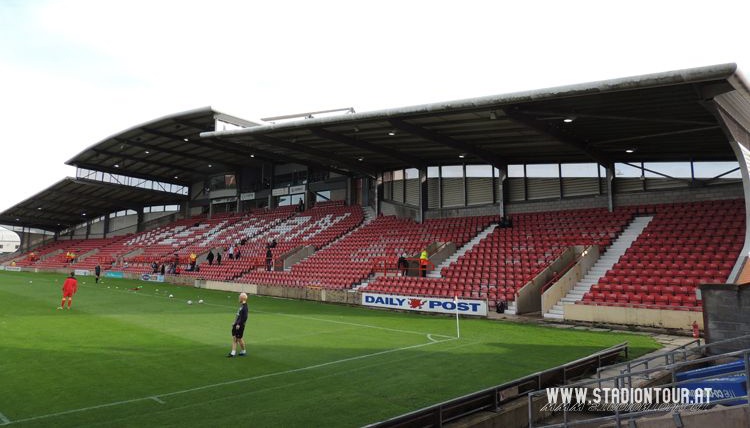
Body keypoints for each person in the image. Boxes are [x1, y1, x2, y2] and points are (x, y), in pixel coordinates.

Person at [228, 292, 249, 357]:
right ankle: (233, 352)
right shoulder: (242, 306)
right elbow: (238, 315)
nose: (238, 298)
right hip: (237, 324)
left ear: (242, 298)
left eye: (239, 297)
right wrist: (234, 322)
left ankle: (242, 351)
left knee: (239, 338)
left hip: (240, 325)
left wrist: (239, 324)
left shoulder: (245, 307)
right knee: (235, 338)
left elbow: (245, 317)